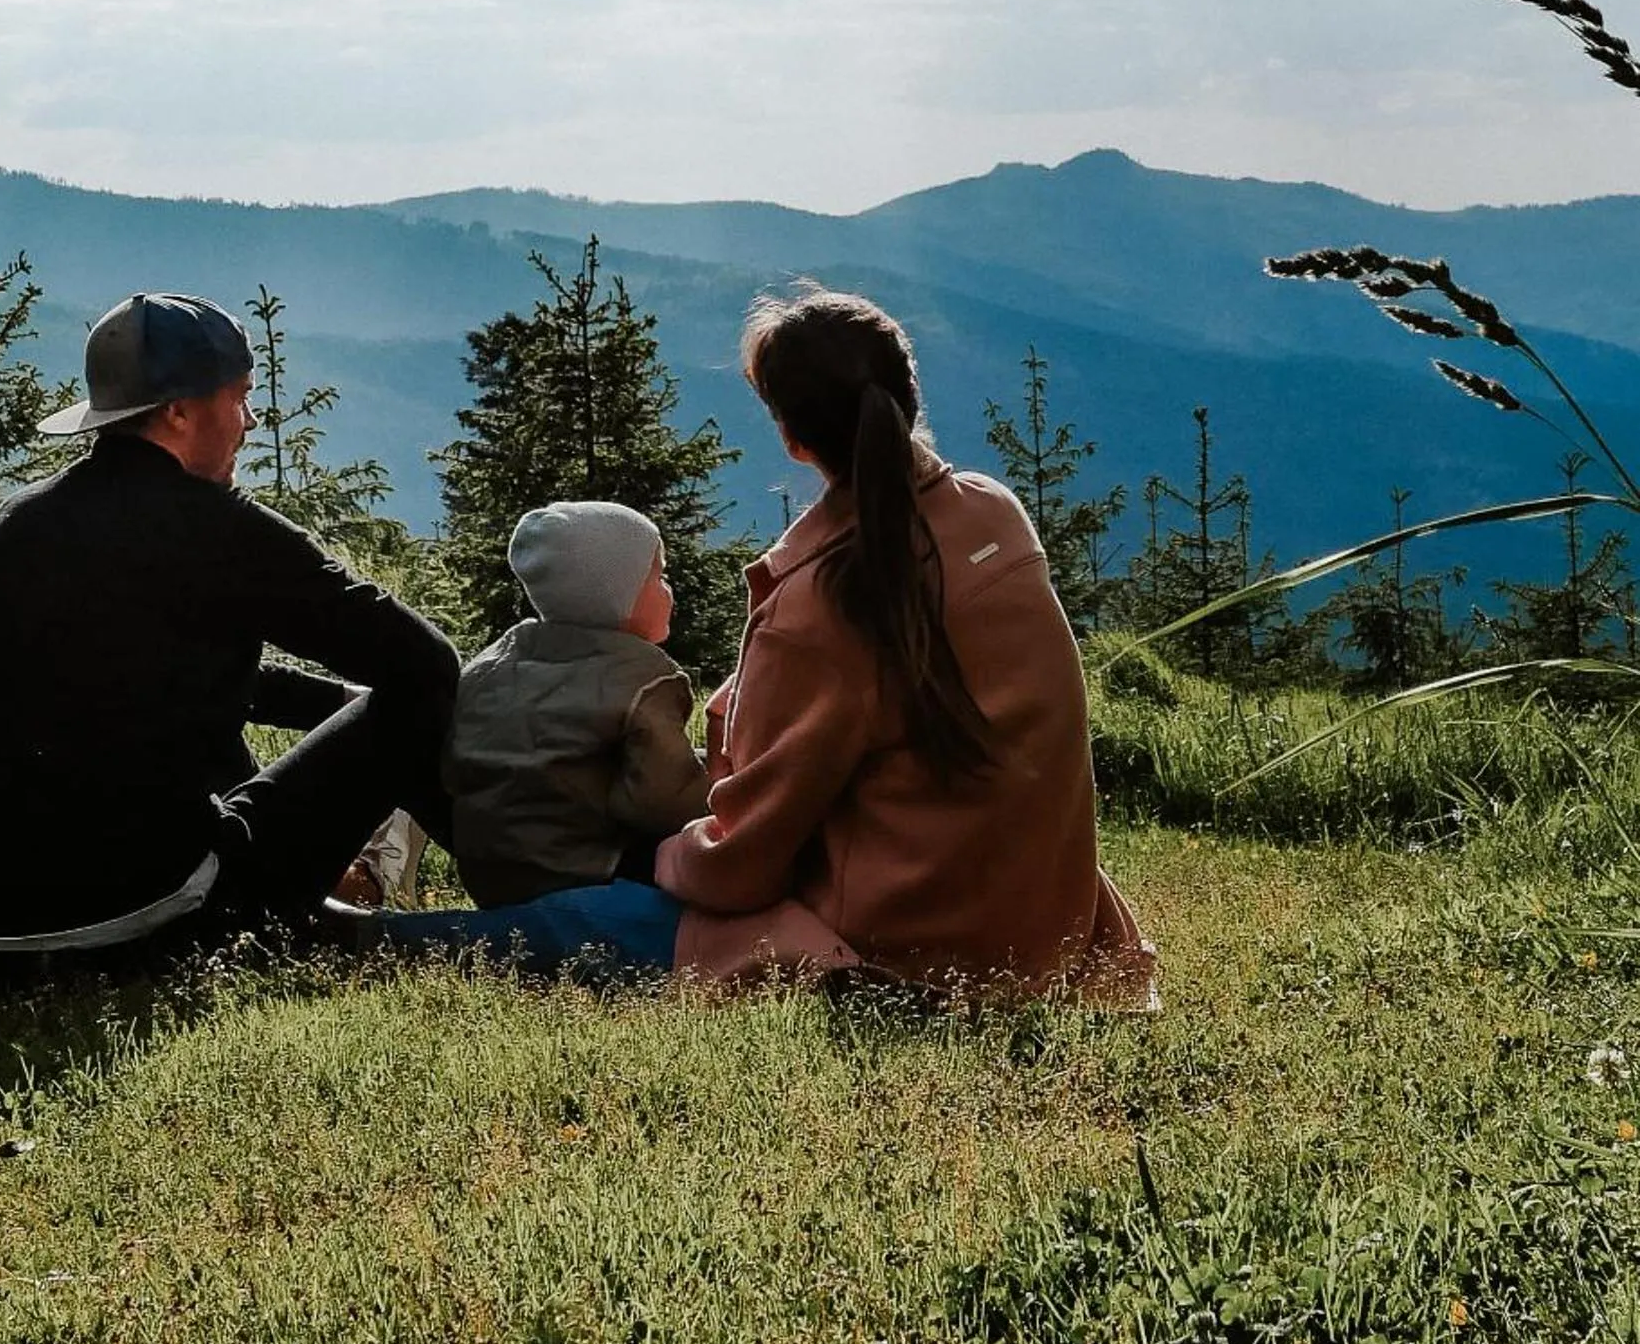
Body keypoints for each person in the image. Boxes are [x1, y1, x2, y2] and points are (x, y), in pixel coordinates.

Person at [371, 288, 1153, 1004]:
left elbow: (741, 866)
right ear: (907, 392)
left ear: (791, 438)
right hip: (1038, 924)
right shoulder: (993, 514)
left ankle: (349, 938)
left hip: (905, 949)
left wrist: (671, 850)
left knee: (585, 919)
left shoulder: (820, 607)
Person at [0, 291, 459, 992]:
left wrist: (339, 703)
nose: (249, 421)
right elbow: (424, 661)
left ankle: (336, 908)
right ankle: (547, 897)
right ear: (178, 410)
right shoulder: (216, 530)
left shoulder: (16, 524)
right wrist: (371, 714)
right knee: (419, 697)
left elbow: (158, 674)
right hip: (144, 930)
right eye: (239, 398)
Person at [444, 500, 709, 906]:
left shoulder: (497, 658)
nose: (669, 591)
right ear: (617, 594)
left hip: (490, 875)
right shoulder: (643, 674)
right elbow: (662, 805)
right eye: (659, 577)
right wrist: (722, 782)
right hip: (588, 873)